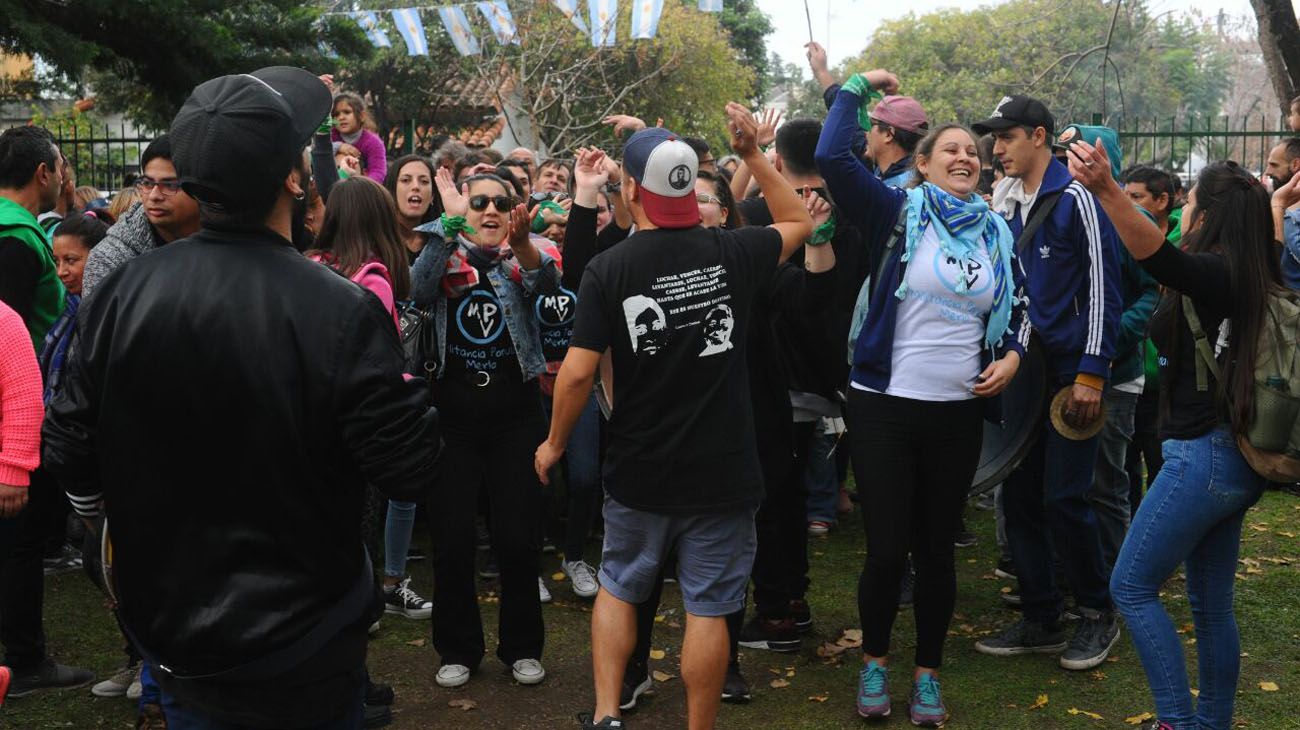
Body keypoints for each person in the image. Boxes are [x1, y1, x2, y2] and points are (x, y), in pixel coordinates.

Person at [42, 66, 440, 729]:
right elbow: (411, 464)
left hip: (180, 629)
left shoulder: (121, 293)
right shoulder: (340, 310)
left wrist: (111, 533)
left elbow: (69, 444)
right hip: (302, 639)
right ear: (292, 175)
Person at [534, 104, 812, 730]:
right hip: (724, 471)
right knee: (709, 609)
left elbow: (577, 373)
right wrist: (750, 153)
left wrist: (553, 443)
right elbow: (797, 219)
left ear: (632, 190)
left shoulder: (611, 268)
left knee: (620, 586)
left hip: (640, 467)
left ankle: (608, 713)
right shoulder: (734, 250)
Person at [819, 68, 1031, 726]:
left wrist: (1016, 356)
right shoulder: (896, 210)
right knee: (886, 550)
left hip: (957, 414)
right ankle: (876, 662)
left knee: (937, 552)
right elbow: (830, 155)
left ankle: (928, 676)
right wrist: (853, 86)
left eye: (972, 150)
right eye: (952, 150)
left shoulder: (997, 232)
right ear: (923, 163)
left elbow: (1020, 306)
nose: (966, 156)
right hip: (884, 406)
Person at [1070, 140, 1279, 730]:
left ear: (1206, 215)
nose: (1183, 210)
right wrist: (1278, 197)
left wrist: (1108, 188)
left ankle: (1175, 721)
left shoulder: (1215, 274)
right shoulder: (1253, 272)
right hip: (1234, 460)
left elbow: (1162, 260)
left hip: (1203, 458)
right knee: (1210, 609)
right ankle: (1209, 724)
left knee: (1131, 587)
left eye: (1190, 203)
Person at [971, 95, 1124, 672]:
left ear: (1039, 136)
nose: (996, 147)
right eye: (994, 137)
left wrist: (1092, 371)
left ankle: (1096, 613)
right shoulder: (1004, 203)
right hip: (1020, 375)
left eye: (1006, 136)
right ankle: (1041, 616)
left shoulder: (1078, 198)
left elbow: (1106, 287)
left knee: (1066, 497)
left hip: (1069, 378)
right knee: (1017, 495)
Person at [408, 169, 561, 691]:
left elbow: (549, 293)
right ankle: (458, 649)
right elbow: (417, 289)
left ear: (514, 211)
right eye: (479, 203)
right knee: (451, 543)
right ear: (463, 210)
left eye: (500, 202)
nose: (490, 211)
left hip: (515, 422)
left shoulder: (527, 256)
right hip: (451, 423)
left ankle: (522, 648)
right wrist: (447, 228)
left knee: (518, 540)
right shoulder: (442, 250)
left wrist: (523, 246)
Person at [308, 176, 431, 626]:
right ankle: (360, 614)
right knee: (361, 525)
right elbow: (377, 361)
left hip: (311, 416)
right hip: (357, 423)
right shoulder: (373, 279)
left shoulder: (310, 264)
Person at [0, 125, 97, 698]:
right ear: (44, 173)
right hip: (19, 408)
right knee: (19, 540)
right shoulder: (14, 237)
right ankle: (26, 658)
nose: (63, 176)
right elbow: (9, 332)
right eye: (59, 166)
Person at [82, 136, 201, 298]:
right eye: (148, 183)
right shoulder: (111, 260)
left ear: (199, 188)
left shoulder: (231, 243)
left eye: (170, 185)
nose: (154, 196)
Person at [384, 154, 439, 263]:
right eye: (405, 180)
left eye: (424, 181)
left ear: (432, 195)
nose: (416, 187)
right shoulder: (377, 239)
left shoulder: (444, 240)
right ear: (392, 190)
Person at [331, 91, 387, 184]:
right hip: (333, 186)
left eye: (347, 112)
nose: (341, 117)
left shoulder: (373, 142)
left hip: (361, 186)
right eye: (336, 114)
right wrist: (338, 146)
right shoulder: (330, 136)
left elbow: (378, 171)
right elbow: (317, 151)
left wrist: (363, 187)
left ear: (361, 116)